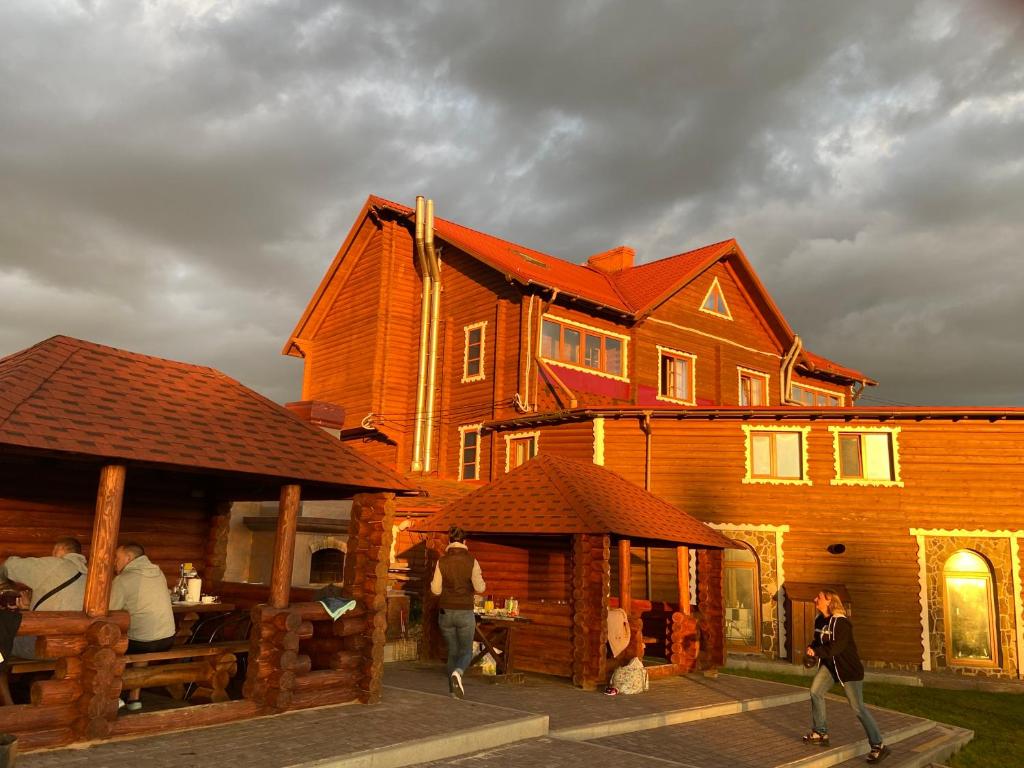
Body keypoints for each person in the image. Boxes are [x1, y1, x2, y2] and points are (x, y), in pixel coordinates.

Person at [804, 589, 890, 764]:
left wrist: (817, 652)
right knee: (815, 692)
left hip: (849, 670)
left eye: (819, 597)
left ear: (829, 601)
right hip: (830, 667)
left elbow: (837, 647)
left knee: (858, 707)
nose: (815, 600)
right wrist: (811, 649)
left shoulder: (841, 623)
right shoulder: (820, 620)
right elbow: (818, 640)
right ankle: (821, 733)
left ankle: (878, 745)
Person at [110, 542, 176, 711]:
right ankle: (134, 698)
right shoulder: (158, 573)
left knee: (111, 645)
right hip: (167, 638)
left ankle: (113, 695)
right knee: (142, 641)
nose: (114, 562)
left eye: (117, 558)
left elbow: (111, 612)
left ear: (129, 558)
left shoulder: (123, 579)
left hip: (141, 641)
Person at [0, 537, 88, 658]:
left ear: (59, 549)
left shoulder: (57, 565)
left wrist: (4, 584)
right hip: (74, 648)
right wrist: (28, 607)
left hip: (43, 645)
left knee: (4, 640)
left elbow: (9, 566)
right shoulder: (89, 575)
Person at [430, 525, 485, 699]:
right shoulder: (471, 561)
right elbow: (480, 587)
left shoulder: (442, 561)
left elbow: (436, 590)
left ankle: (453, 690)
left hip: (445, 611)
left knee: (453, 650)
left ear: (449, 541)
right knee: (466, 651)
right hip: (464, 611)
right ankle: (458, 674)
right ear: (465, 542)